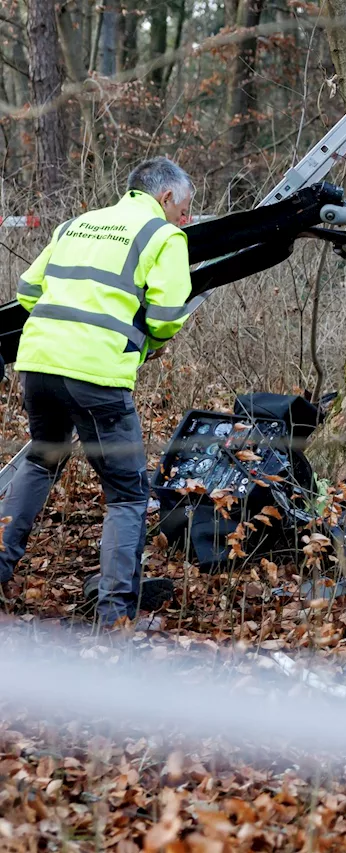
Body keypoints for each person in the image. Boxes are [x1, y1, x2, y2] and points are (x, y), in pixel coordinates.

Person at [0, 157, 195, 627]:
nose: (185, 218)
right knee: (127, 495)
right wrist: (148, 341)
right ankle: (115, 618)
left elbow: (28, 290)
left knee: (40, 460)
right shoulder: (164, 236)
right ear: (165, 197)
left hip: (38, 366)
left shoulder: (77, 224)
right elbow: (168, 314)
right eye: (184, 208)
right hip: (97, 376)